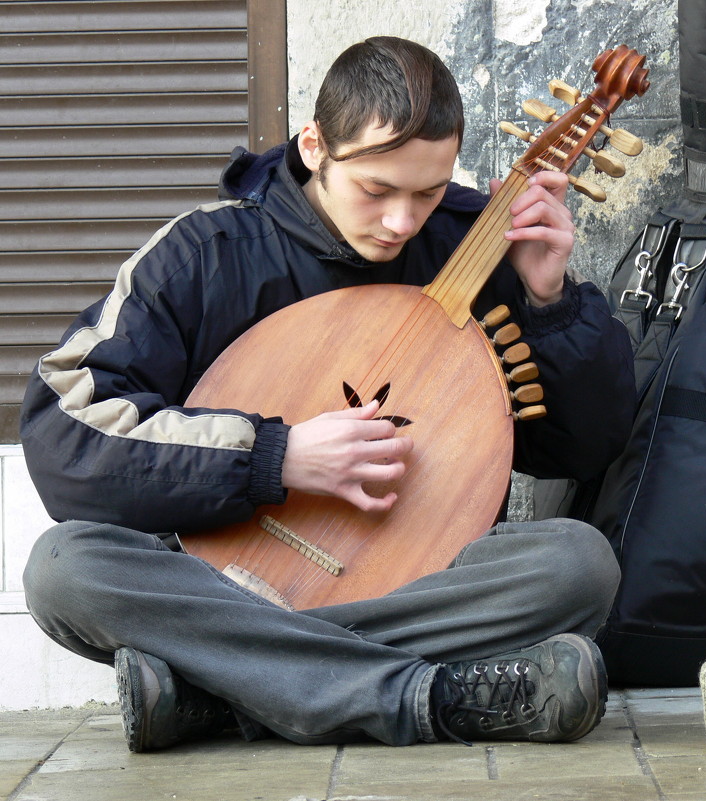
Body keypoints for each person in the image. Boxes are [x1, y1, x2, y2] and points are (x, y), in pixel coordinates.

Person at [20, 36, 635, 752]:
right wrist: (276, 458)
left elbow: (586, 444)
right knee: (64, 569)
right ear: (314, 145)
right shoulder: (207, 253)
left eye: (429, 192)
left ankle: (223, 691)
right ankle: (430, 699)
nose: (403, 221)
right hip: (225, 576)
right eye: (376, 190)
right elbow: (66, 433)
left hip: (411, 579)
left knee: (578, 565)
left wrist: (550, 298)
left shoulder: (475, 248)